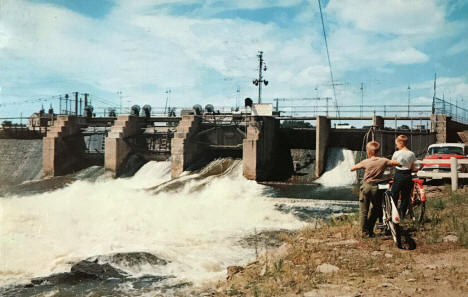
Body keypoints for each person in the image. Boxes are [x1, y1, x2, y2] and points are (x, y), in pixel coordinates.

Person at [351, 141, 400, 237]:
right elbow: (396, 163)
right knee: (376, 209)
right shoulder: (383, 161)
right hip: (376, 187)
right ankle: (370, 228)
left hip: (366, 186)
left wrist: (359, 167)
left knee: (363, 210)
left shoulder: (365, 162)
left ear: (368, 152)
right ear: (378, 151)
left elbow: (353, 168)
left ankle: (364, 232)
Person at [391, 135, 416, 219]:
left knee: (394, 193)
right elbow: (412, 167)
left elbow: (393, 164)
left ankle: (393, 213)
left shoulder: (396, 153)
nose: (396, 146)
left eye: (396, 144)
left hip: (398, 175)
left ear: (401, 143)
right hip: (408, 176)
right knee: (405, 196)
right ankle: (402, 215)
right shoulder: (412, 153)